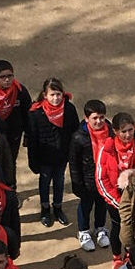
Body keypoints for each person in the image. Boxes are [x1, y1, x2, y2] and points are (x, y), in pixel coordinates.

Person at [94, 113, 135, 253]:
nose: (128, 135)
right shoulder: (106, 149)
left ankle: (130, 255)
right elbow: (101, 178)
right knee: (118, 225)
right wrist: (117, 201)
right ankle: (116, 256)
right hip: (116, 196)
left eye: (130, 130)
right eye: (123, 131)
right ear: (115, 131)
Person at [26, 78, 77, 227]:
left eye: (58, 94)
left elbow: (74, 133)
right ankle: (45, 208)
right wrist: (33, 161)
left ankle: (58, 207)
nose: (56, 98)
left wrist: (72, 154)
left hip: (62, 156)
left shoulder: (69, 109)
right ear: (45, 95)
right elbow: (32, 139)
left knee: (59, 181)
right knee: (44, 182)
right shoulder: (35, 113)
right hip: (44, 158)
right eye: (52, 94)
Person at [69, 100, 110, 252]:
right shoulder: (78, 137)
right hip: (87, 181)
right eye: (95, 118)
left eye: (101, 117)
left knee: (102, 204)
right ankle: (84, 231)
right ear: (87, 119)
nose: (99, 121)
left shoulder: (110, 131)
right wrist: (77, 184)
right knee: (85, 206)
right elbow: (74, 163)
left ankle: (100, 228)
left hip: (104, 178)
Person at [0, 60, 32, 180]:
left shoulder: (21, 91)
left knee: (11, 162)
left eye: (10, 76)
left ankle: (11, 188)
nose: (7, 80)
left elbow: (28, 114)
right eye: (3, 77)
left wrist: (27, 134)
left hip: (14, 135)